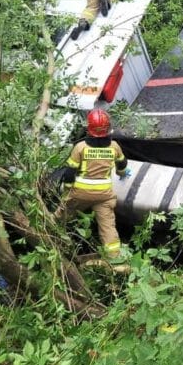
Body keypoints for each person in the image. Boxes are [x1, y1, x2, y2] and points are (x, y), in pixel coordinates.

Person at [54, 108, 129, 260]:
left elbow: (69, 173)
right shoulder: (114, 146)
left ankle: (50, 237)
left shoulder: (80, 147)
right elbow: (122, 166)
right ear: (108, 129)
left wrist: (67, 193)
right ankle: (115, 259)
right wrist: (122, 174)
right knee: (108, 228)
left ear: (89, 129)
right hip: (104, 196)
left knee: (60, 217)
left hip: (80, 193)